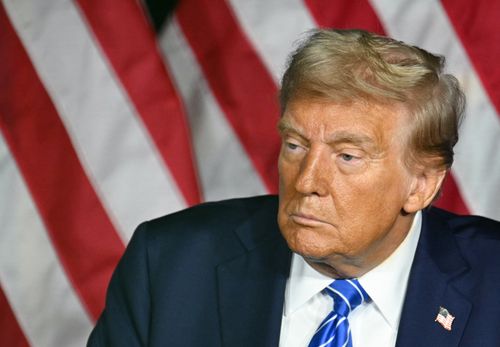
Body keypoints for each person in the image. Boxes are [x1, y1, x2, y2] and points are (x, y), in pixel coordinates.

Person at [87, 29, 500, 347]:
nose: (306, 182)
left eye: (347, 157)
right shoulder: (170, 264)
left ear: (421, 185)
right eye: (295, 145)